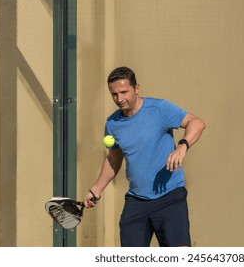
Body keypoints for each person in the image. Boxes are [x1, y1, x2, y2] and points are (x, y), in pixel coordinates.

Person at [83, 66, 206, 247]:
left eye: (124, 92)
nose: (119, 99)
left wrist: (182, 146)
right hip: (136, 201)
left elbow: (197, 122)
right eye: (114, 94)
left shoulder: (159, 109)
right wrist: (96, 190)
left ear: (136, 88)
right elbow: (114, 159)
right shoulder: (112, 123)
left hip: (169, 196)